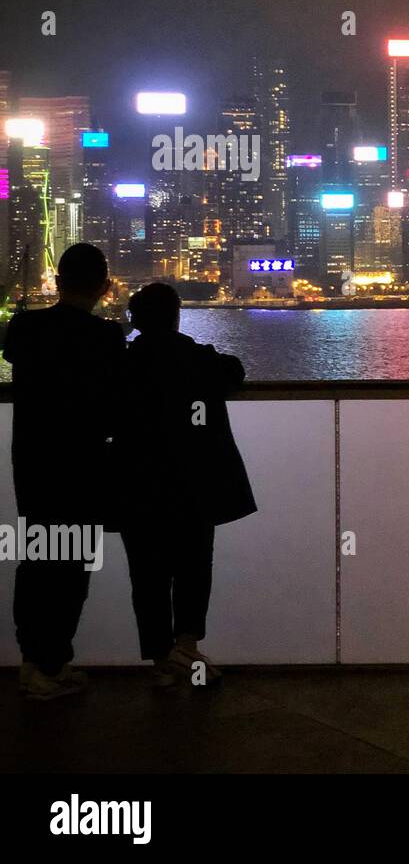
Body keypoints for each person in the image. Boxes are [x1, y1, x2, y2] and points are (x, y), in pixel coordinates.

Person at [115, 282, 257, 688]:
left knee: (147, 574)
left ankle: (163, 659)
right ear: (176, 316)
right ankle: (187, 646)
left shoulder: (124, 363)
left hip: (138, 482)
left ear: (135, 320)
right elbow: (234, 372)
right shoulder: (199, 359)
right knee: (194, 566)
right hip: (196, 481)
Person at [3, 243, 125, 700]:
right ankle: (52, 663)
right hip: (82, 465)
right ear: (103, 286)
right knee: (72, 566)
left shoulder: (26, 328)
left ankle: (36, 661)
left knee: (37, 559)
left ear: (57, 282)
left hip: (33, 462)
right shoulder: (105, 338)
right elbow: (116, 402)